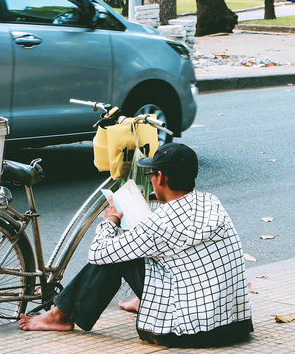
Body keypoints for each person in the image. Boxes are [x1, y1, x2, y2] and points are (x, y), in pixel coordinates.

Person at [18, 143, 253, 348]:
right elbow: (178, 244)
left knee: (114, 258)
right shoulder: (211, 202)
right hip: (232, 325)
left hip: (187, 331)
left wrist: (110, 221)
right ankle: (144, 300)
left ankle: (59, 316)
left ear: (161, 178)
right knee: (150, 253)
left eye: (151, 173)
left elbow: (98, 254)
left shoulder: (160, 223)